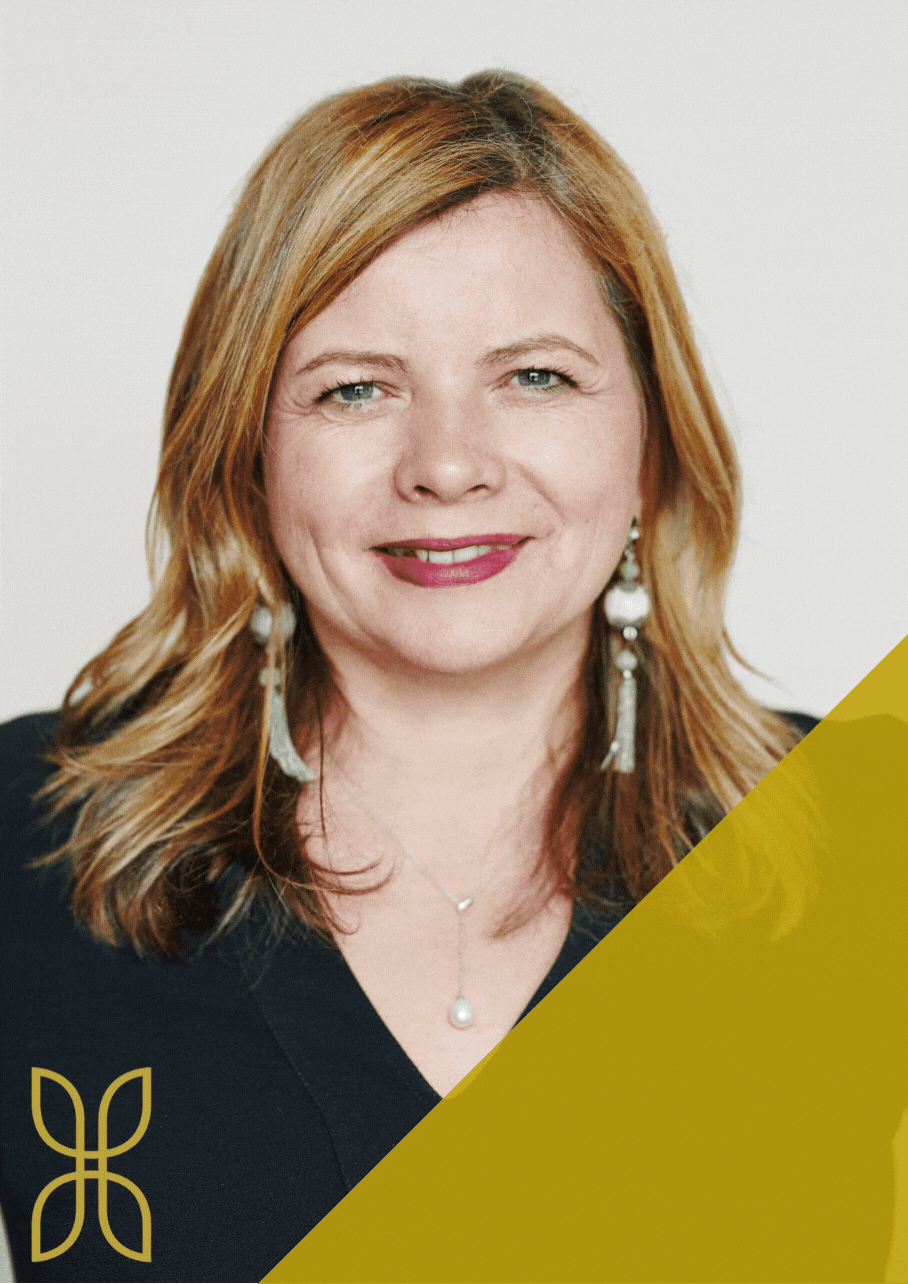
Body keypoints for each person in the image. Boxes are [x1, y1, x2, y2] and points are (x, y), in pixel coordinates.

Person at [0, 71, 812, 1282]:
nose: (445, 464)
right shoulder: (28, 831)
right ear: (247, 453)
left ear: (648, 437)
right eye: (354, 388)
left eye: (533, 376)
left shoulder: (866, 835)